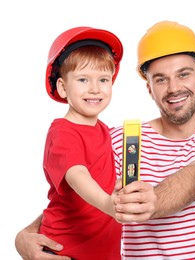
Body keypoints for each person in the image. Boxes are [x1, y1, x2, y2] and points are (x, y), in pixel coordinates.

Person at [15, 21, 195, 259]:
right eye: (161, 79)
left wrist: (151, 201)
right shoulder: (120, 140)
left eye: (183, 74)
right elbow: (75, 197)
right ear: (149, 88)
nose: (174, 88)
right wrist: (26, 234)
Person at [22, 26, 126, 259]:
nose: (95, 88)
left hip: (103, 250)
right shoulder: (63, 132)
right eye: (82, 79)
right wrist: (110, 205)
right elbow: (78, 176)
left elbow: (102, 173)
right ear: (62, 87)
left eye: (103, 79)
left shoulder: (104, 130)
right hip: (67, 249)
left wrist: (118, 187)